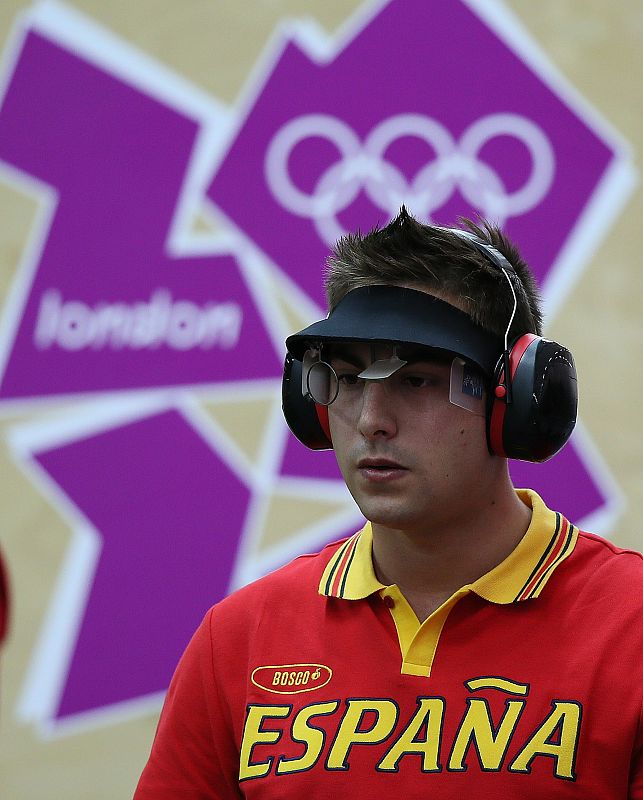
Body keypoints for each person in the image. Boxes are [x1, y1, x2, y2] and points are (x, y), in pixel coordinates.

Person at [134, 209, 642, 798]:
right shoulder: (240, 639)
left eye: (417, 380)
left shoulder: (629, 625)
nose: (372, 422)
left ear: (518, 401)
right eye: (348, 380)